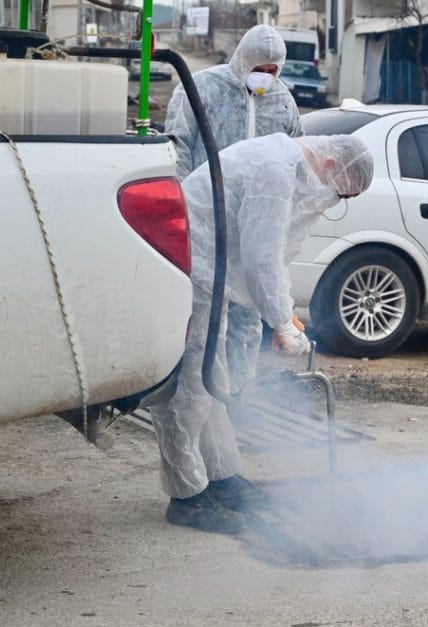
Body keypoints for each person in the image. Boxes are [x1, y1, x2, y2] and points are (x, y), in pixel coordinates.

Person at [146, 133, 374, 534]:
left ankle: (223, 478)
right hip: (191, 271)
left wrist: (280, 317)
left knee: (210, 383)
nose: (335, 201)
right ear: (330, 166)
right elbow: (261, 256)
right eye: (341, 193)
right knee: (189, 390)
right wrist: (282, 322)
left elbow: (280, 251)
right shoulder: (275, 170)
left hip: (207, 274)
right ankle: (186, 497)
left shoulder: (292, 168)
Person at [163, 24, 304, 392]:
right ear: (242, 58)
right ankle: (201, 393)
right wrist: (181, 209)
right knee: (207, 317)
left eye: (273, 70)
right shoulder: (202, 89)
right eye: (259, 67)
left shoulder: (284, 102)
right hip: (206, 223)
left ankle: (238, 397)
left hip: (252, 226)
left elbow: (295, 159)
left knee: (247, 317)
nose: (265, 76)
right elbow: (177, 148)